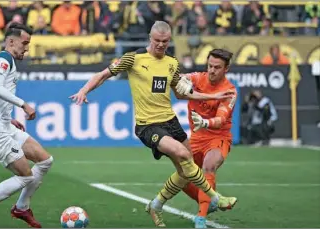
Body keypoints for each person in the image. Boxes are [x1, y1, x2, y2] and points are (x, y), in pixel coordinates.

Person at [70, 21, 237, 228]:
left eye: (165, 41)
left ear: (169, 41)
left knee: (186, 173)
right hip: (148, 126)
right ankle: (215, 198)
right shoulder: (133, 58)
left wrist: (213, 95)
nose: (160, 45)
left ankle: (156, 205)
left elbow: (182, 93)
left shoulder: (172, 63)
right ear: (150, 38)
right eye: (157, 41)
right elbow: (103, 75)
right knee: (184, 155)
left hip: (171, 122)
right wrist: (84, 90)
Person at [0, 23, 53, 228]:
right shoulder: (3, 59)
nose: (26, 48)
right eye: (24, 43)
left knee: (45, 160)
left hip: (5, 126)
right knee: (25, 177)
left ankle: (21, 208)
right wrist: (23, 104)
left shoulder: (9, 62)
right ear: (11, 41)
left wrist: (7, 116)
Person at [176, 49, 237, 228]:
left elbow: (221, 120)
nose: (212, 70)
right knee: (181, 176)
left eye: (217, 67)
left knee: (209, 166)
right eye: (210, 66)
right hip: (196, 138)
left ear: (226, 69)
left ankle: (201, 218)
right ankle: (212, 200)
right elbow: (179, 76)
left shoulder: (229, 91)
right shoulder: (198, 77)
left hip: (218, 137)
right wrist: (182, 80)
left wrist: (204, 122)